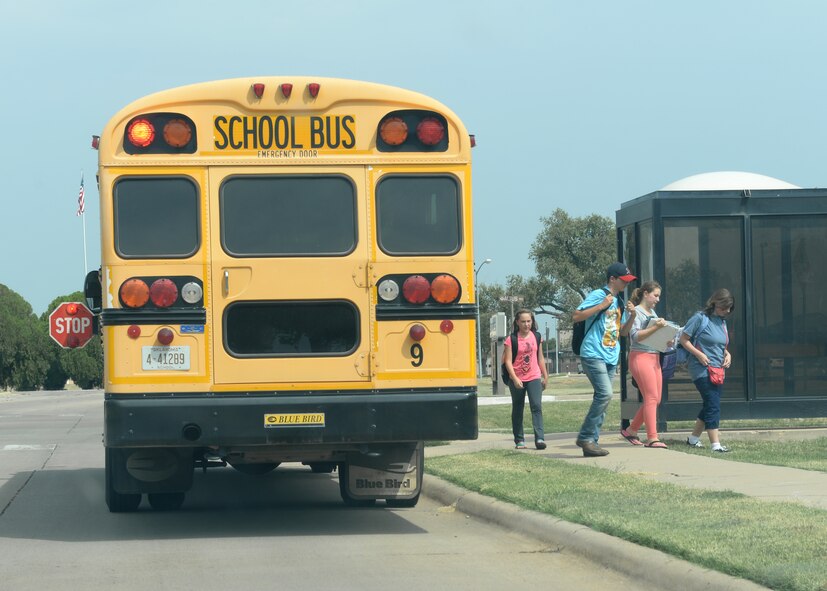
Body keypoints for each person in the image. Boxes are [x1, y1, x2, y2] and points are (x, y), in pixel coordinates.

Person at [573, 262, 637, 457]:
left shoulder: (618, 301)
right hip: (593, 353)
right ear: (612, 279)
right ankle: (585, 437)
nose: (626, 283)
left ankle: (592, 443)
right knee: (605, 394)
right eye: (623, 280)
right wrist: (601, 305)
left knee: (603, 398)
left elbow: (623, 332)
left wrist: (632, 316)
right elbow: (576, 316)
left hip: (611, 355)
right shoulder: (598, 295)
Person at [680, 289, 734, 453]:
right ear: (715, 304)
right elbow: (684, 339)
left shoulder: (722, 321)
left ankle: (693, 439)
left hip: (717, 369)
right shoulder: (700, 318)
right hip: (701, 369)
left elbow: (719, 344)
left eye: (729, 308)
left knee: (710, 404)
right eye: (724, 307)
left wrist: (728, 354)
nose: (727, 311)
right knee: (713, 404)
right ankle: (715, 444)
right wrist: (699, 354)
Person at [621, 281, 669, 448]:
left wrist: (667, 340)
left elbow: (653, 337)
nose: (657, 299)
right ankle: (652, 438)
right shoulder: (636, 312)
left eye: (659, 296)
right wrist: (656, 327)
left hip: (654, 357)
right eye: (655, 295)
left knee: (656, 399)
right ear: (645, 294)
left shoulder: (653, 313)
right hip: (640, 357)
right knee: (651, 397)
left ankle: (631, 430)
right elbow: (635, 336)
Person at [502, 309, 549, 450]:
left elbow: (540, 357)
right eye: (523, 321)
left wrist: (545, 375)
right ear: (517, 322)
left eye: (529, 321)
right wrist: (515, 378)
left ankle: (539, 438)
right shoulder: (511, 339)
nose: (526, 324)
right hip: (517, 378)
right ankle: (519, 440)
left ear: (532, 321)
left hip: (534, 376)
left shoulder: (536, 336)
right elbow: (508, 361)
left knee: (536, 406)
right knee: (518, 408)